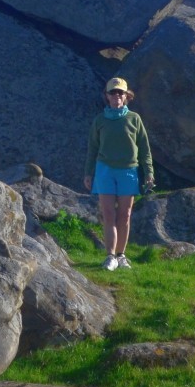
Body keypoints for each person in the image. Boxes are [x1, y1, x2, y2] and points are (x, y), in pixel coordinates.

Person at [83, 77, 154, 271]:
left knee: (125, 215)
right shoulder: (99, 120)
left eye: (120, 93)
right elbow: (92, 148)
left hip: (128, 171)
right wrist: (88, 173)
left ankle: (121, 255)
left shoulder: (134, 119)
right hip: (104, 170)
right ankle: (110, 256)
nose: (116, 96)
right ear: (106, 96)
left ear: (126, 96)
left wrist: (149, 172)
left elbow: (144, 148)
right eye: (113, 93)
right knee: (108, 214)